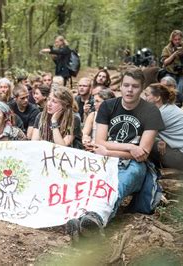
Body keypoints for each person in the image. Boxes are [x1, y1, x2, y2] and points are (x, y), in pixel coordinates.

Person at [68, 69, 164, 238]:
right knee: (87, 183)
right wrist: (130, 147)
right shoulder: (108, 105)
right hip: (104, 159)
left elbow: (143, 154)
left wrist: (110, 151)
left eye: (135, 86)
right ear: (120, 86)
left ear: (142, 88)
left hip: (134, 164)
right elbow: (99, 143)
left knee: (116, 186)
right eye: (126, 85)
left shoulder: (151, 111)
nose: (129, 90)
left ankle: (96, 218)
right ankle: (81, 220)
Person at [143, 83, 183, 170]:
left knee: (144, 143)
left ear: (157, 97)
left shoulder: (161, 113)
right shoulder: (169, 108)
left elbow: (142, 132)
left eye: (147, 95)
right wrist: (161, 140)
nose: (144, 98)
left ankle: (153, 170)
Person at [161, 30, 183, 96]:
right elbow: (165, 62)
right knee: (169, 91)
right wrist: (174, 54)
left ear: (181, 39)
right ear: (172, 39)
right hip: (170, 73)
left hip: (182, 74)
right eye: (175, 39)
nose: (177, 41)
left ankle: (179, 104)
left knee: (179, 91)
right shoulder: (167, 48)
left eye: (179, 39)